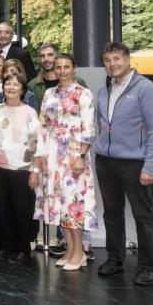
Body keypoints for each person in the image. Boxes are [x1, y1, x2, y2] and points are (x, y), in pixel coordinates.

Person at [94, 42, 153, 285]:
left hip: (135, 162)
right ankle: (115, 258)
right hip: (106, 161)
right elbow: (102, 124)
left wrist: (150, 166)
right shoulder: (105, 89)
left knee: (143, 215)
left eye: (117, 59)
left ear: (128, 60)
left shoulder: (145, 89)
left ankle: (149, 266)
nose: (113, 64)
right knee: (111, 212)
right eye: (108, 60)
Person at [32, 53, 97, 271]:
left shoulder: (83, 94)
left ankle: (79, 253)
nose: (62, 70)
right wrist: (40, 157)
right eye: (58, 67)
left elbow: (89, 129)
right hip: (51, 154)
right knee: (60, 205)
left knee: (73, 205)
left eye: (66, 66)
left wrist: (80, 156)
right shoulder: (49, 93)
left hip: (73, 154)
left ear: (74, 68)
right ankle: (70, 250)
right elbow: (42, 125)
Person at [0, 73, 45, 264]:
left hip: (22, 169)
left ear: (22, 89)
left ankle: (22, 248)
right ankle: (5, 245)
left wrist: (35, 171)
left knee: (21, 209)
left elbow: (37, 144)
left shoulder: (29, 112)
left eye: (15, 85)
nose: (11, 87)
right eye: (7, 84)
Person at [28, 42, 87, 114]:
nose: (46, 59)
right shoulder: (32, 85)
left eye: (50, 55)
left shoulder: (77, 81)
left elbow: (86, 109)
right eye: (42, 56)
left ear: (56, 56)